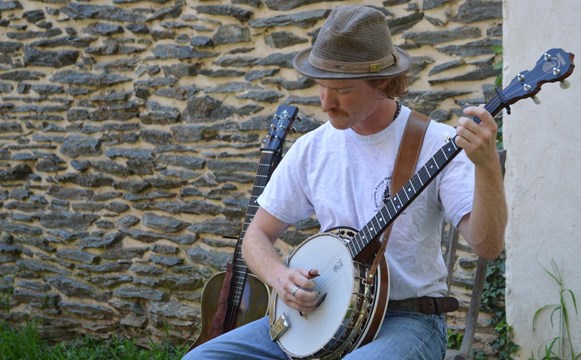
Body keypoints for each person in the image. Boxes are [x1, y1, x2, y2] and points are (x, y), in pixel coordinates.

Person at [184, 5, 507, 360]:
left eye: (344, 90)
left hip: (408, 320)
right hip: (318, 314)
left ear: (383, 82)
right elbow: (255, 237)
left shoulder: (435, 143)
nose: (326, 102)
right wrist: (280, 277)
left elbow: (487, 246)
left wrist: (487, 166)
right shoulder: (313, 148)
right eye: (321, 86)